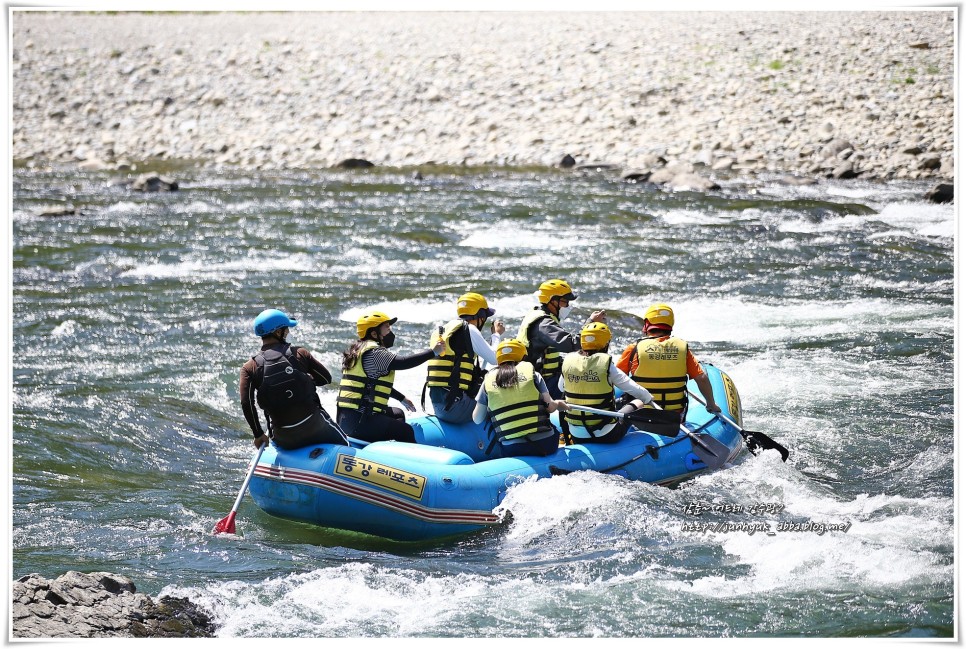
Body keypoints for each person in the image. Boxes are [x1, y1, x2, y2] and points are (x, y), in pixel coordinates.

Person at [240, 308, 348, 450]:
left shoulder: (249, 367)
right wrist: (306, 381)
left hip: (284, 437)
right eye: (286, 330)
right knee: (346, 444)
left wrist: (258, 434)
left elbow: (246, 403)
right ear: (278, 332)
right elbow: (325, 378)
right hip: (317, 427)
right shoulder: (300, 353)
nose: (288, 333)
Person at [337, 311, 446, 443]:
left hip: (348, 418)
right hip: (359, 421)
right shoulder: (374, 353)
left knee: (398, 414)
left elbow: (373, 385)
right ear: (373, 333)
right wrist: (433, 352)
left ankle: (386, 449)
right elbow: (403, 362)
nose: (390, 331)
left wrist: (402, 398)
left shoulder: (359, 350)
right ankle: (406, 462)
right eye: (387, 327)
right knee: (405, 431)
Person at [616, 303, 721, 418]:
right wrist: (711, 404)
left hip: (642, 413)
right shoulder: (682, 348)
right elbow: (702, 379)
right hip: (675, 414)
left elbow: (615, 379)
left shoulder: (634, 348)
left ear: (647, 325)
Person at [559, 322, 657, 444]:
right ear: (606, 343)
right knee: (638, 401)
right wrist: (648, 397)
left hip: (577, 435)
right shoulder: (607, 366)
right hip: (607, 434)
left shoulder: (568, 361)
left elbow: (561, 387)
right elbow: (632, 388)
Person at [473, 338, 569, 457]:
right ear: (523, 357)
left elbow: (477, 419)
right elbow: (550, 407)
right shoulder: (534, 375)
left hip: (512, 449)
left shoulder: (488, 380)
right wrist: (559, 404)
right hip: (545, 444)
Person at [516, 278, 606, 399]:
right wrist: (590, 323)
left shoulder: (541, 315)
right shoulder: (544, 324)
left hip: (545, 376)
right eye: (565, 302)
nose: (568, 306)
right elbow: (572, 344)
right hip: (540, 382)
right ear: (552, 301)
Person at [424, 292, 504, 424]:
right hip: (455, 407)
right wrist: (496, 335)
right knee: (503, 402)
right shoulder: (470, 330)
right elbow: (496, 359)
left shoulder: (445, 330)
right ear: (480, 316)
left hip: (439, 406)